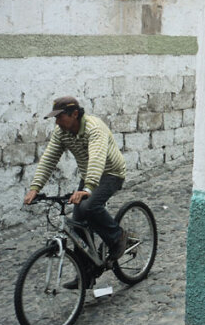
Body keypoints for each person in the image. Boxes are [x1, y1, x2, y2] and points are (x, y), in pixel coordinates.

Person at [23, 95, 127, 262]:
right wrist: (35, 188)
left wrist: (87, 189)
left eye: (60, 117)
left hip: (110, 173)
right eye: (55, 118)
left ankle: (118, 237)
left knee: (90, 207)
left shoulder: (94, 128)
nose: (57, 122)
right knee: (78, 223)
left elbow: (96, 158)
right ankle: (86, 272)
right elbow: (49, 158)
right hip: (88, 175)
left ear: (75, 114)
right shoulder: (61, 132)